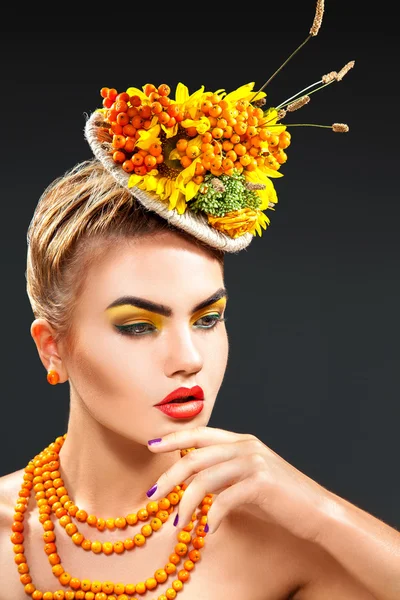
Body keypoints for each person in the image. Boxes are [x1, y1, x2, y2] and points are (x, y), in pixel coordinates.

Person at [1, 4, 400, 600]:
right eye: (138, 325)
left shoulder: (282, 541)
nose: (188, 358)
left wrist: (320, 512)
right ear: (52, 346)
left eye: (208, 318)